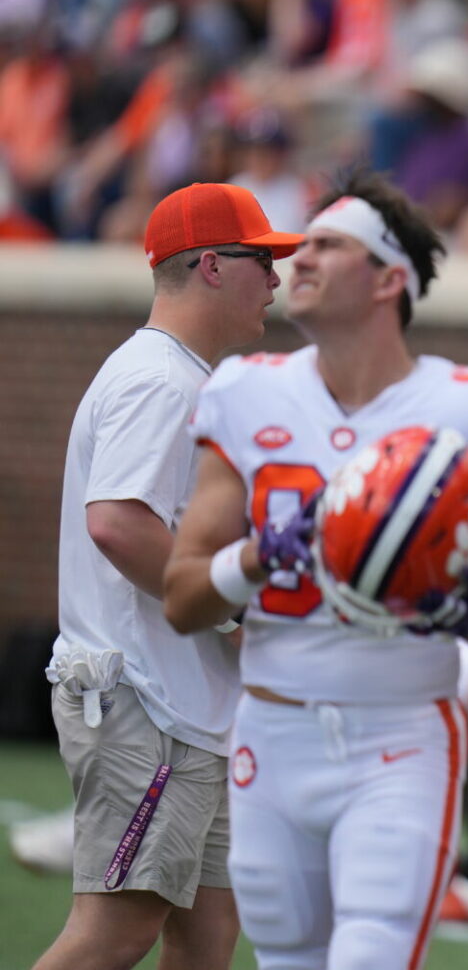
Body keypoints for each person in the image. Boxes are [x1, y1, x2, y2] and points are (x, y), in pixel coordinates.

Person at [161, 169, 468, 970]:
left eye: (327, 246)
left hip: (400, 734)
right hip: (270, 730)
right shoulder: (245, 392)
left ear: (388, 280)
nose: (297, 260)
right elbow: (183, 598)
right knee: (286, 960)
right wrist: (258, 556)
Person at [33, 182, 302, 970]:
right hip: (150, 699)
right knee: (118, 930)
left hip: (184, 706)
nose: (277, 282)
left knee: (209, 931)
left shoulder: (175, 373)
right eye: (263, 261)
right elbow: (116, 521)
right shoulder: (160, 379)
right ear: (213, 267)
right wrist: (223, 611)